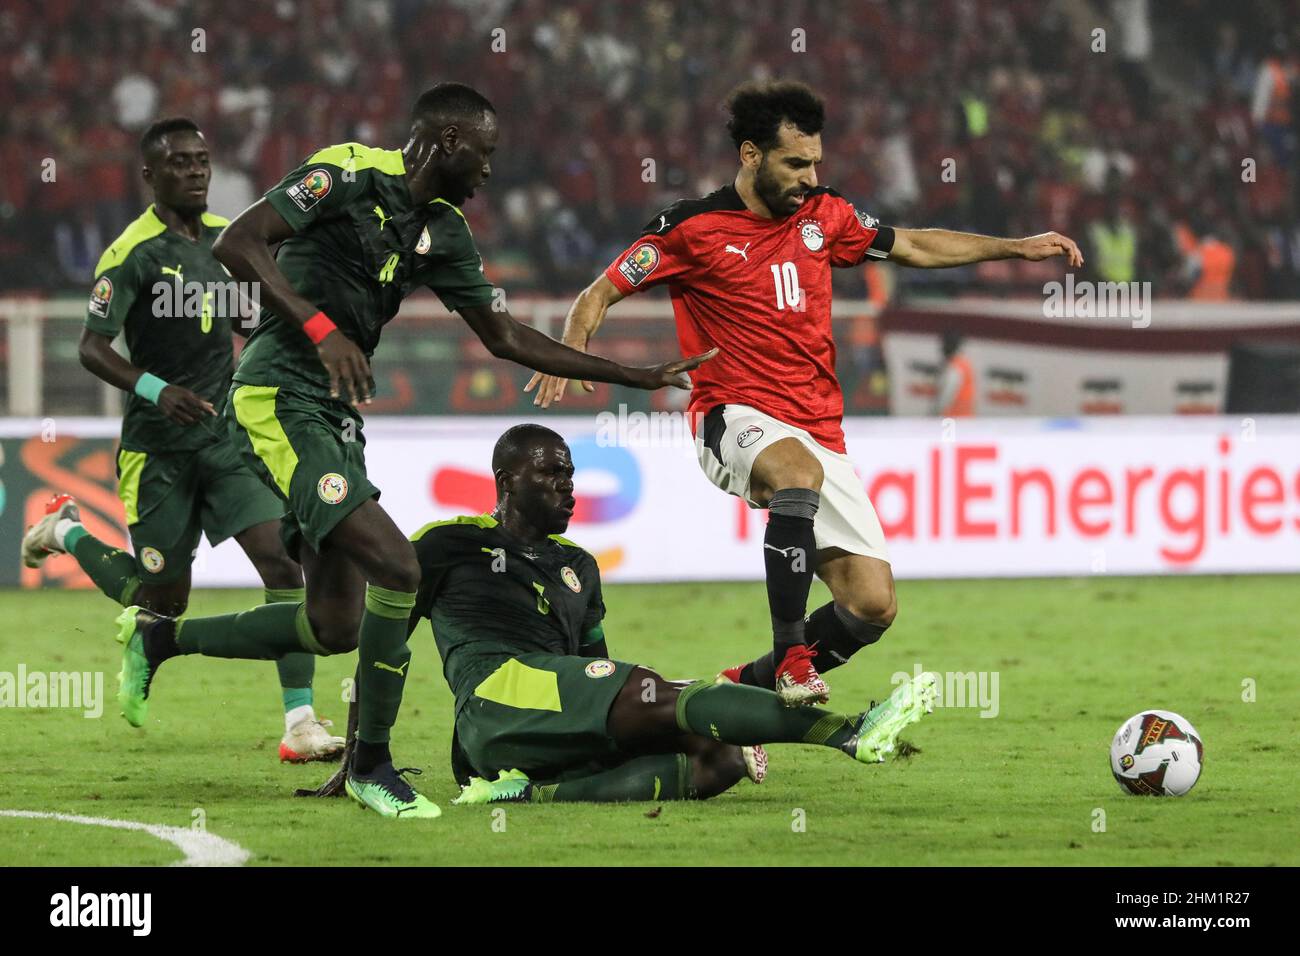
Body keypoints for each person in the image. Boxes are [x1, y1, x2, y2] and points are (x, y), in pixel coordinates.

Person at [109, 83, 714, 820]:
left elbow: (505, 336)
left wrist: (631, 374)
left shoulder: (446, 231)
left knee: (338, 624)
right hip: (275, 394)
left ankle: (160, 640)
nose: (492, 169)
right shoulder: (346, 173)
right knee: (398, 566)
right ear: (451, 143)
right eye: (486, 153)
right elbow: (237, 242)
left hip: (332, 416)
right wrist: (320, 328)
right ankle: (373, 767)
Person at [527, 80, 1082, 703]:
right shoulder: (692, 228)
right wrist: (570, 350)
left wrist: (1012, 247)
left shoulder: (827, 216)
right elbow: (597, 293)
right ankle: (792, 657)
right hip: (731, 414)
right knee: (795, 475)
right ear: (749, 155)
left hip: (820, 428)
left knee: (871, 606)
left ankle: (741, 688)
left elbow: (915, 244)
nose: (811, 177)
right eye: (796, 163)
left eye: (816, 161)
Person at [22, 117, 342, 763]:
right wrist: (154, 390)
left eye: (202, 160)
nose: (196, 171)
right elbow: (90, 347)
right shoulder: (131, 252)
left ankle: (301, 723)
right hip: (158, 448)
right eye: (180, 163)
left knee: (283, 564)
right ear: (151, 175)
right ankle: (67, 532)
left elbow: (254, 322)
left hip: (225, 437)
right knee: (159, 601)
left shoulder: (231, 243)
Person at [407, 424, 936, 806]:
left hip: (552, 714)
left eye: (570, 473)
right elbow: (385, 641)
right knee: (651, 690)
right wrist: (368, 761)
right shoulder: (449, 543)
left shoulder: (578, 565)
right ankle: (848, 732)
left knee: (721, 758)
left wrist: (619, 725)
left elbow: (595, 663)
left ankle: (530, 792)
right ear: (506, 479)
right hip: (494, 704)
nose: (567, 484)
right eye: (550, 472)